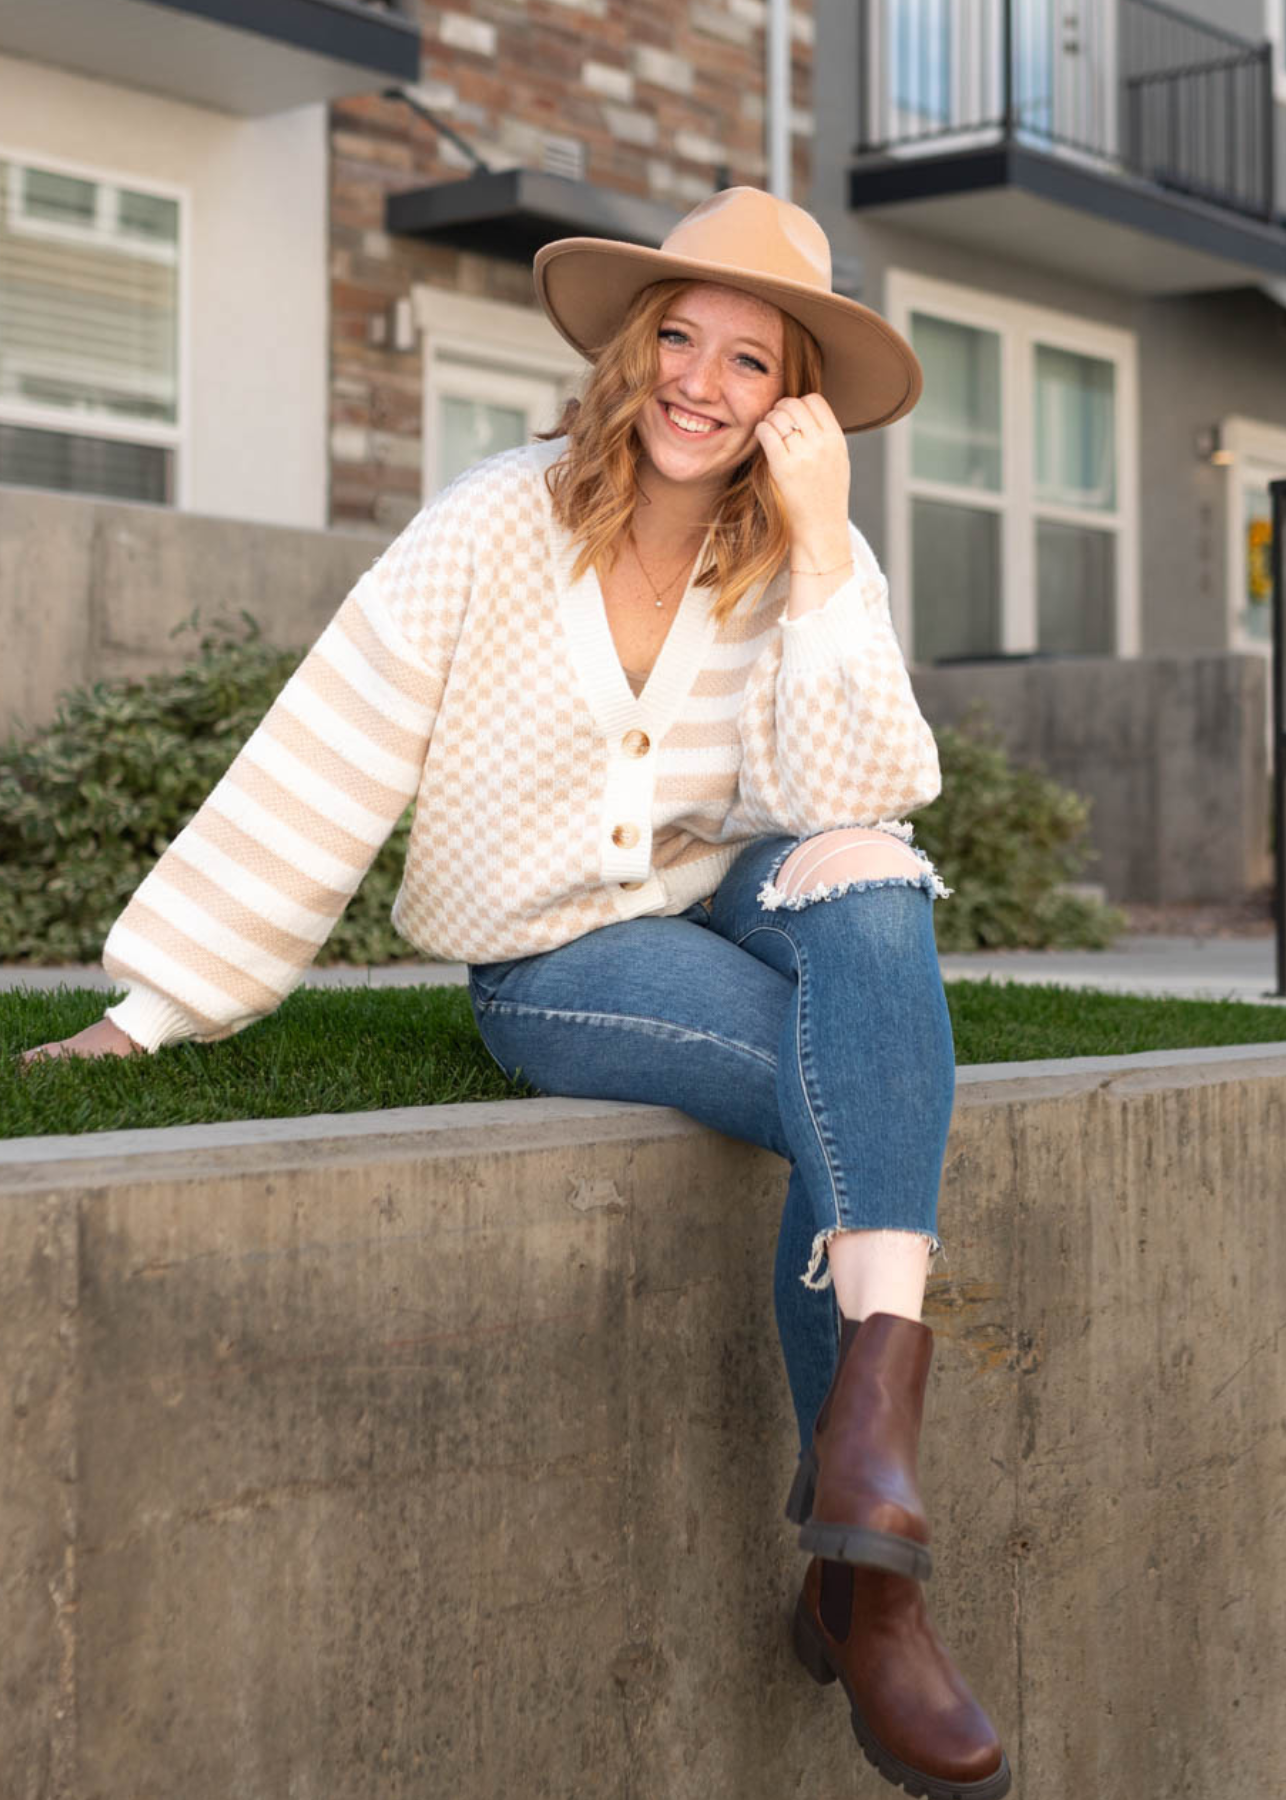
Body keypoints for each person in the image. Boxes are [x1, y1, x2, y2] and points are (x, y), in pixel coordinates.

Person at [24, 186, 1009, 1798]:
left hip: (737, 887)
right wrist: (154, 1002)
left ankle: (868, 1487)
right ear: (630, 356)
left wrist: (826, 544)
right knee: (866, 1086)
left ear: (793, 399)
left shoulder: (803, 557)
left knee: (874, 888)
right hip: (559, 949)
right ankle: (867, 1583)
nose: (701, 382)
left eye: (747, 361)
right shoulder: (497, 521)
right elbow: (327, 749)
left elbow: (858, 789)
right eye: (676, 340)